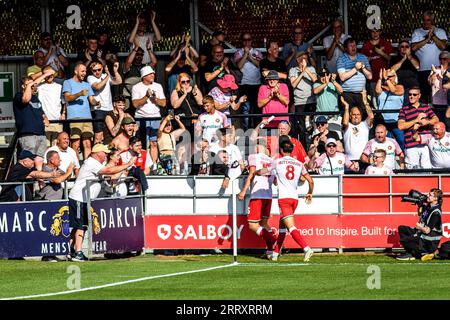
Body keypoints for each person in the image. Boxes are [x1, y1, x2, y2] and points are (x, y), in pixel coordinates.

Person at [67, 144, 136, 262]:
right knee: (81, 226)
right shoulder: (92, 163)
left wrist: (117, 163)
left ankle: (71, 251)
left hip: (83, 198)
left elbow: (109, 171)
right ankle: (78, 252)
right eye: (104, 153)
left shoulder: (95, 163)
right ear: (98, 153)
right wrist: (128, 164)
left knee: (79, 226)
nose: (106, 155)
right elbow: (108, 170)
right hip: (79, 198)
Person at [256, 139, 314, 262]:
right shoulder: (299, 164)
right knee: (282, 228)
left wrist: (255, 172)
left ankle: (306, 248)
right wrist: (310, 192)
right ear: (292, 150)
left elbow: (263, 171)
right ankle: (275, 254)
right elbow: (310, 180)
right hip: (294, 199)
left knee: (291, 228)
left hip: (284, 199)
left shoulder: (278, 162)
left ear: (281, 150)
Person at [238, 139, 277, 259]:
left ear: (257, 147)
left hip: (257, 194)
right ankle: (271, 251)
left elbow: (252, 173)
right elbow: (275, 181)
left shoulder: (254, 157)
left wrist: (243, 191)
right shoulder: (271, 161)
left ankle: (273, 241)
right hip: (268, 195)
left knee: (252, 225)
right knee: (264, 223)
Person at [14, 72, 54, 172]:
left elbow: (41, 112)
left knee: (39, 160)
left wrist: (45, 118)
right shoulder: (19, 96)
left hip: (40, 134)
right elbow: (26, 99)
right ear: (24, 86)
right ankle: (24, 186)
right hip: (27, 135)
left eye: (33, 85)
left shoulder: (36, 98)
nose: (33, 86)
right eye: (29, 85)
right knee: (27, 162)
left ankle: (38, 184)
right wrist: (42, 76)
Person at [63, 62, 100, 160]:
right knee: (75, 144)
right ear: (76, 71)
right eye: (82, 71)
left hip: (87, 117)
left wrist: (96, 103)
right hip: (75, 117)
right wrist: (79, 94)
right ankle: (76, 169)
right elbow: (67, 97)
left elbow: (91, 99)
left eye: (85, 71)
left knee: (87, 143)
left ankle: (87, 166)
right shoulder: (68, 82)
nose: (84, 73)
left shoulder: (86, 85)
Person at [131, 65, 166, 164]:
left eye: (153, 73)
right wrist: (146, 96)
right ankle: (143, 163)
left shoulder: (158, 86)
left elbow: (163, 103)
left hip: (155, 117)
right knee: (142, 143)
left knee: (154, 143)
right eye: (150, 74)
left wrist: (155, 99)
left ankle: (154, 164)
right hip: (141, 118)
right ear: (144, 76)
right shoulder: (136, 87)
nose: (152, 75)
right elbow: (135, 104)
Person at [397, 86, 439, 169]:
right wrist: (416, 120)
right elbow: (400, 126)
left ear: (419, 96)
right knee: (412, 173)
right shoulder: (404, 109)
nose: (411, 96)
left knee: (427, 171)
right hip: (411, 145)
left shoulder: (426, 107)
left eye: (414, 94)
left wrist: (427, 122)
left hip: (426, 145)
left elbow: (436, 119)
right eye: (409, 94)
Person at [411, 11, 448, 103]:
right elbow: (414, 47)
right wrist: (427, 38)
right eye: (424, 20)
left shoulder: (440, 31)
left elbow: (443, 47)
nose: (426, 22)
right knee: (423, 95)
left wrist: (433, 35)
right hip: (422, 70)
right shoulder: (417, 32)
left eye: (429, 20)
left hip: (438, 70)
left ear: (433, 21)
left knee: (437, 94)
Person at [397, 188, 443, 261]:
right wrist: (420, 204)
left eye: (430, 195)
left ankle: (421, 253)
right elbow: (420, 213)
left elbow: (427, 231)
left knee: (403, 240)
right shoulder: (429, 206)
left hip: (430, 239)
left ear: (435, 198)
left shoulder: (436, 212)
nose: (427, 195)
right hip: (422, 233)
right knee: (401, 228)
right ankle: (411, 252)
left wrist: (419, 227)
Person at [87, 60, 123, 144]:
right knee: (98, 135)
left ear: (102, 68)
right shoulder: (90, 77)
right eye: (94, 70)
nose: (97, 72)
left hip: (109, 108)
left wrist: (115, 71)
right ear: (92, 71)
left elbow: (119, 81)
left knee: (110, 133)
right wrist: (108, 75)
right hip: (98, 109)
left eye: (99, 69)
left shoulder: (105, 75)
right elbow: (97, 87)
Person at [289, 51, 318, 147]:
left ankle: (313, 147)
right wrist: (301, 73)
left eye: (306, 58)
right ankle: (303, 149)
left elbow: (314, 79)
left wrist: (306, 70)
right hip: (299, 102)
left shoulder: (311, 68)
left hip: (311, 101)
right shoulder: (293, 70)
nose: (304, 60)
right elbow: (293, 84)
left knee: (312, 126)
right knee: (301, 128)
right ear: (298, 60)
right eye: (302, 59)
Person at [337, 38, 372, 113]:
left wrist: (363, 68)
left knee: (363, 115)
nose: (353, 47)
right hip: (347, 94)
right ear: (346, 48)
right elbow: (342, 77)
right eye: (350, 46)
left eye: (354, 45)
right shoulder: (341, 59)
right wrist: (355, 69)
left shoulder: (363, 57)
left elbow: (370, 76)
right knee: (349, 115)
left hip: (361, 93)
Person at [342, 92, 374, 172]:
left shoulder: (365, 125)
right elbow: (345, 123)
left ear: (361, 115)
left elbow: (371, 116)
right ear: (350, 115)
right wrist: (346, 107)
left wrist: (365, 101)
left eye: (358, 114)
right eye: (354, 114)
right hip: (349, 161)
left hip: (363, 160)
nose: (356, 116)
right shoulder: (348, 125)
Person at [374, 68, 405, 149]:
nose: (389, 78)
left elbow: (394, 90)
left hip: (396, 120)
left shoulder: (400, 87)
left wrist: (387, 79)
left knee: (401, 140)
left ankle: (400, 156)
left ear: (395, 76)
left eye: (391, 76)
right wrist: (380, 78)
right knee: (385, 142)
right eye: (387, 76)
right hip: (383, 120)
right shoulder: (382, 87)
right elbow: (377, 91)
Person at [361, 27, 393, 104]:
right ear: (370, 32)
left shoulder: (386, 43)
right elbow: (362, 62)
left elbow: (390, 59)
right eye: (373, 31)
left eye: (377, 31)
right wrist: (367, 59)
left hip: (385, 78)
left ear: (380, 32)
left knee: (385, 100)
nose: (375, 34)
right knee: (374, 102)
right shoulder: (366, 45)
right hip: (372, 78)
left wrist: (380, 53)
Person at [37, 65, 64, 147]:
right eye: (47, 74)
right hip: (45, 121)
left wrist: (63, 113)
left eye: (51, 73)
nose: (49, 76)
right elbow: (33, 84)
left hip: (57, 121)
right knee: (45, 148)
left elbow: (64, 102)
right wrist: (44, 75)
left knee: (57, 147)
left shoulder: (59, 87)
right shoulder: (40, 87)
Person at [170, 73, 203, 140]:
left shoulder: (195, 89)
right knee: (183, 143)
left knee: (196, 142)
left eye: (187, 81)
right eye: (183, 82)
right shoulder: (176, 91)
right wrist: (184, 95)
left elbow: (200, 103)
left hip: (195, 121)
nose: (186, 83)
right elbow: (175, 105)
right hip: (182, 121)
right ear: (179, 82)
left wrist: (194, 93)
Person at [428, 51, 450, 123]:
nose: (442, 61)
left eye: (444, 59)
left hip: (448, 102)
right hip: (437, 102)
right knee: (438, 124)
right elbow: (430, 82)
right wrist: (434, 73)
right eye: (440, 59)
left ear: (449, 59)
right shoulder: (435, 69)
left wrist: (445, 73)